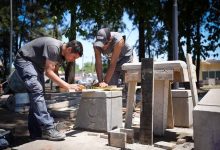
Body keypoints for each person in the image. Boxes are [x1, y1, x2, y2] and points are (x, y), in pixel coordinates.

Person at [14, 37, 83, 141]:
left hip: (36, 66)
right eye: (73, 57)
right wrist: (68, 85)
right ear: (69, 50)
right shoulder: (54, 47)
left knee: (37, 96)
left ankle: (36, 132)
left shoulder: (61, 55)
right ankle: (49, 128)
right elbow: (48, 72)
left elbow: (54, 72)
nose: (73, 61)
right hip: (25, 60)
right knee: (37, 90)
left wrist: (63, 85)